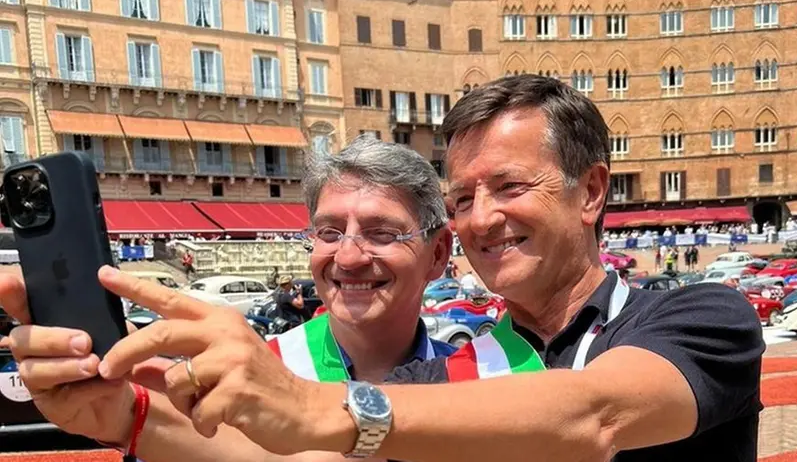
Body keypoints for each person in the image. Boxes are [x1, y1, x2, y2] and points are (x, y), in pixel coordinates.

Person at [10, 75, 763, 461]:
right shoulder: (458, 373)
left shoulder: (701, 316)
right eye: (463, 197)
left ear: (591, 190)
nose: (481, 218)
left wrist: (319, 410)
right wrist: (134, 419)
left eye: (508, 187)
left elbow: (596, 415)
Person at [0, 135, 457, 461]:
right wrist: (124, 416)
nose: (349, 256)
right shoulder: (237, 375)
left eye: (381, 233)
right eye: (329, 232)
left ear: (438, 254)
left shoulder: (488, 377)